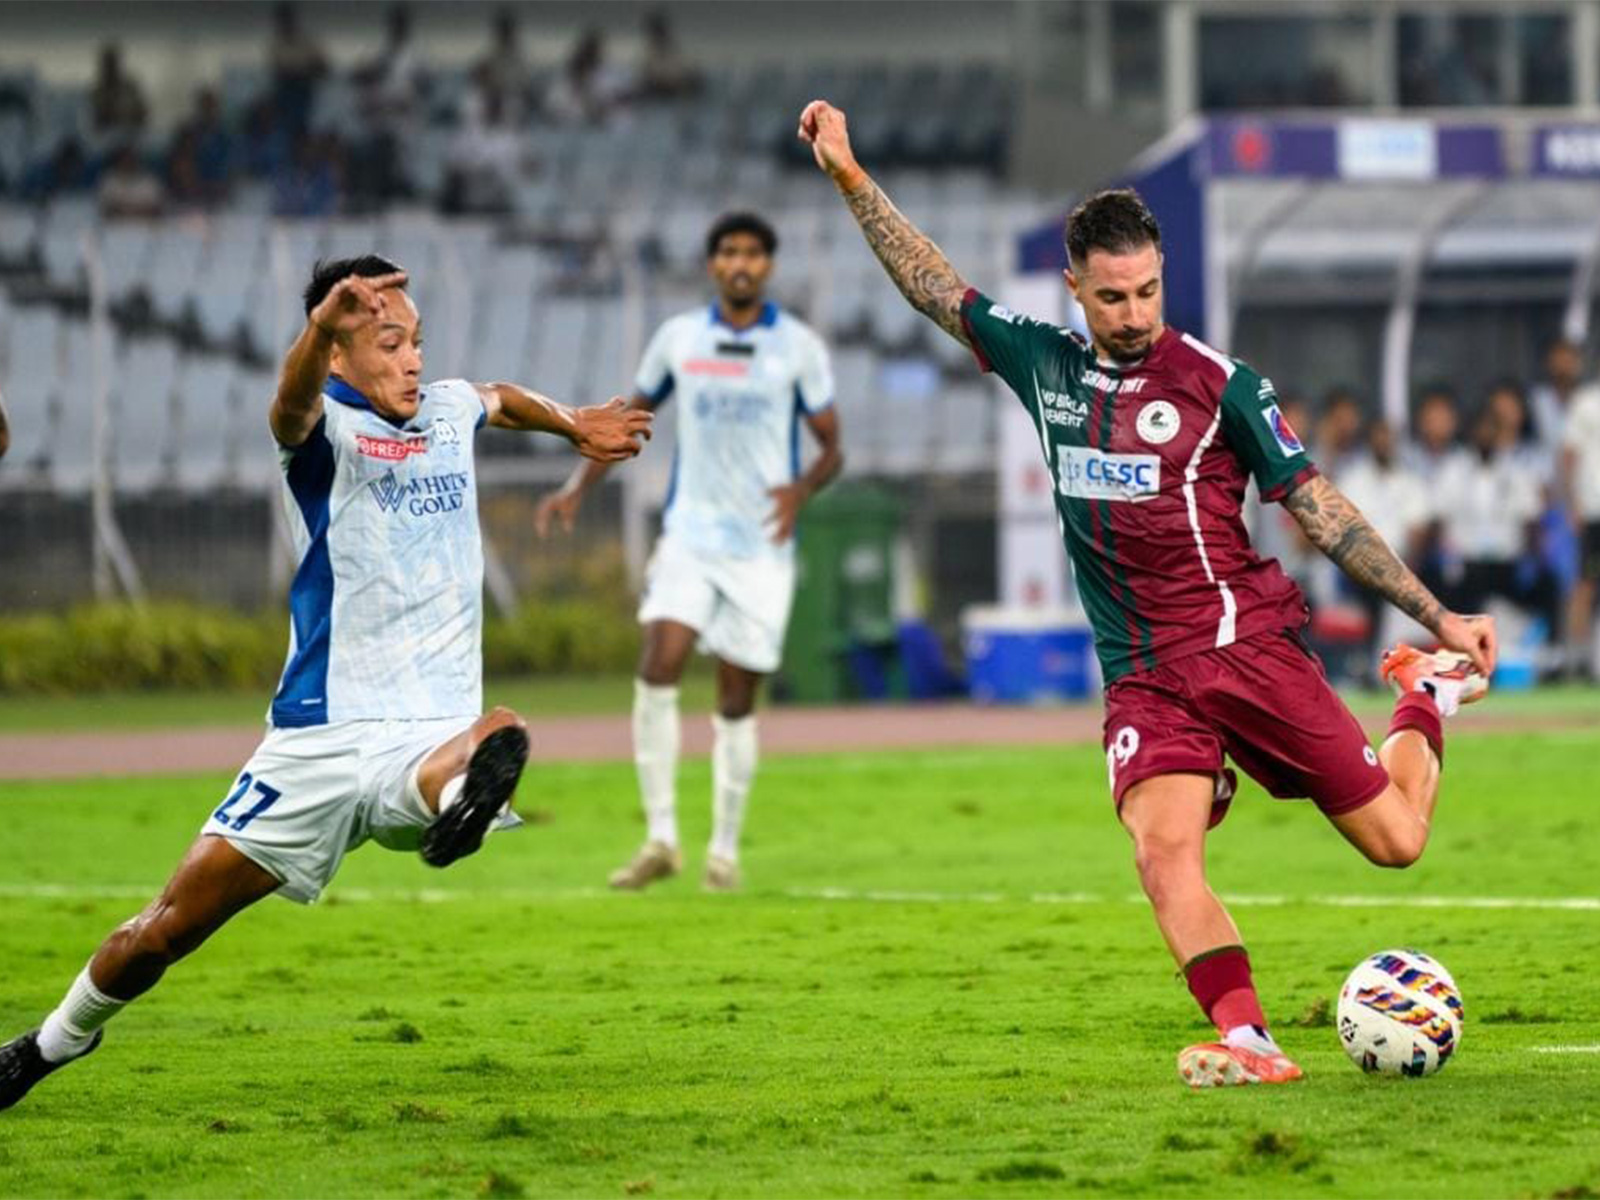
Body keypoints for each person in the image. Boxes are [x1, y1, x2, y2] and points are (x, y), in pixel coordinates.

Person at [799, 99, 1495, 1088]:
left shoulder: (1221, 385)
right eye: (1112, 297)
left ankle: (1422, 693)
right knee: (1162, 855)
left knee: (1396, 843)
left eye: (1148, 292)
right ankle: (1250, 1042)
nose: (1133, 315)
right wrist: (849, 175)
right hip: (1142, 677)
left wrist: (1436, 618)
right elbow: (934, 287)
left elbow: (1322, 511)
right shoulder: (1043, 364)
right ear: (1075, 288)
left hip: (1243, 651)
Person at [0, 256, 652, 1112]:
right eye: (389, 343)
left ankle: (464, 794)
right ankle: (51, 1043)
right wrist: (317, 330)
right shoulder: (320, 432)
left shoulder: (447, 409)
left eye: (416, 341)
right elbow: (289, 404)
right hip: (315, 739)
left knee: (499, 730)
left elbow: (499, 397)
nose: (413, 360)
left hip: (425, 732)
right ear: (340, 352)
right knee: (163, 931)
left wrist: (572, 424)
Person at [534, 213, 843, 893]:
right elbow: (623, 424)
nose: (741, 263)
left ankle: (723, 852)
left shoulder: (798, 348)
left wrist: (800, 491)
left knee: (736, 698)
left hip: (761, 549)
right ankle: (662, 839)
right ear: (712, 264)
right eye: (729, 252)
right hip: (691, 536)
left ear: (768, 266)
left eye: (753, 253)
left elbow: (832, 446)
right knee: (658, 664)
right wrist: (576, 487)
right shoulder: (679, 339)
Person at [1561, 375, 1600, 679]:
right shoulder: (1587, 401)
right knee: (1586, 586)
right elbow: (1569, 455)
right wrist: (1572, 502)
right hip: (1594, 509)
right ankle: (1577, 663)